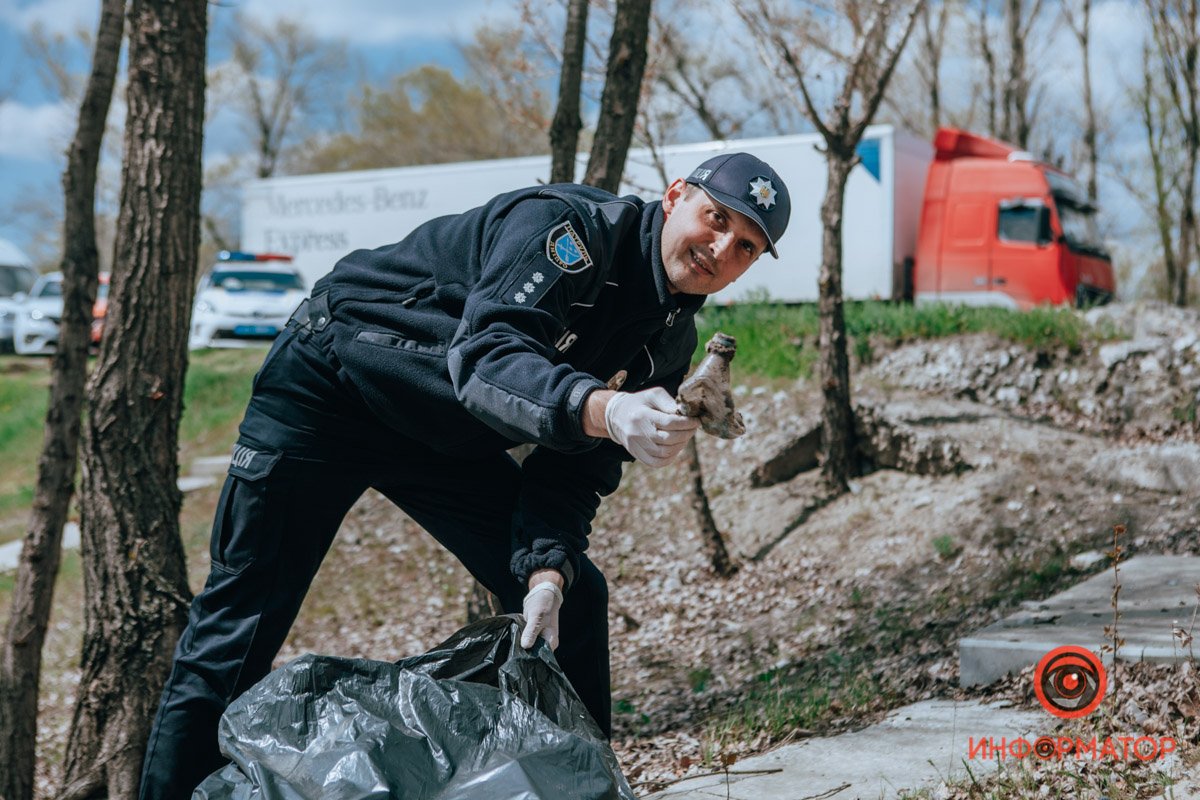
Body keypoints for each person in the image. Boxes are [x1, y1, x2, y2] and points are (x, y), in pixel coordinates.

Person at [139, 152, 791, 797]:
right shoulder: (569, 231)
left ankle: (581, 791)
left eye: (745, 247)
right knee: (238, 625)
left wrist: (545, 569)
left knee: (576, 601)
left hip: (441, 435)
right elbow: (487, 356)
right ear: (675, 195)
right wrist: (605, 407)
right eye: (716, 218)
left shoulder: (669, 341)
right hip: (332, 385)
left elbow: (577, 468)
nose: (720, 248)